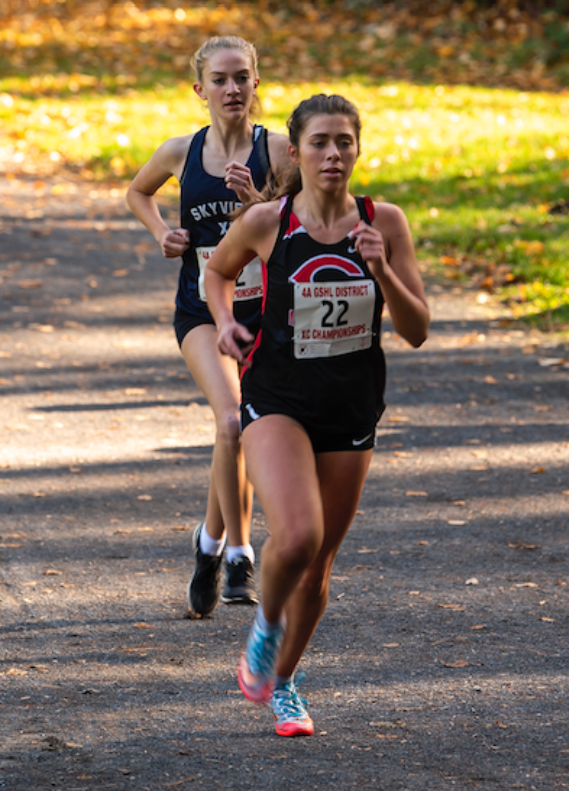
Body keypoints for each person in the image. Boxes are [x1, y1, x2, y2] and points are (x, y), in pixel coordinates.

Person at [203, 94, 430, 737]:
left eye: (344, 142)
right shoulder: (269, 221)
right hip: (277, 396)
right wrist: (224, 324)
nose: (333, 154)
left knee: (321, 560)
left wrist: (382, 268)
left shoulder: (384, 221)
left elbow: (416, 329)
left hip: (351, 406)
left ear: (359, 148)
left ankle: (284, 683)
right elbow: (216, 276)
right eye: (320, 143)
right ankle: (265, 626)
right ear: (296, 153)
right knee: (296, 537)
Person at [127, 36, 291, 615]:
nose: (232, 89)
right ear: (201, 90)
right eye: (220, 80)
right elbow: (137, 192)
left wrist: (258, 199)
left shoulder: (281, 150)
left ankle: (207, 543)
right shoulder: (181, 151)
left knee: (239, 427)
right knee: (230, 418)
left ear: (256, 82)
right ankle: (241, 555)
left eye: (242, 77)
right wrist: (162, 235)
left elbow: (297, 231)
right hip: (201, 311)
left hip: (263, 315)